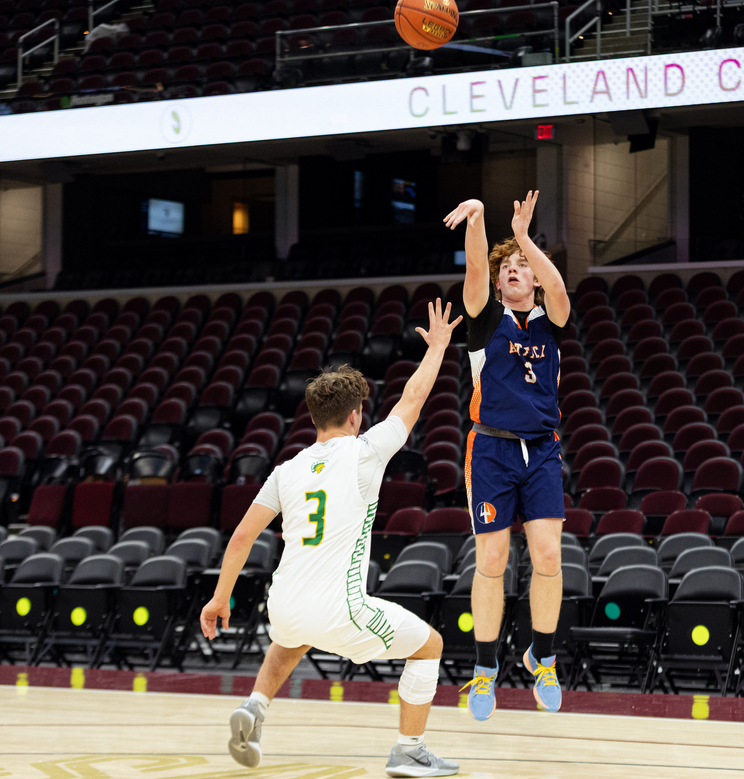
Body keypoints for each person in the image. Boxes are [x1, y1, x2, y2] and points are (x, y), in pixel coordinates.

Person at [199, 299, 462, 778]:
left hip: (285, 605)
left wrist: (219, 599)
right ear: (357, 416)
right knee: (431, 646)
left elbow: (240, 537)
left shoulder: (286, 469)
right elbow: (413, 399)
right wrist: (439, 347)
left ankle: (255, 708)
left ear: (314, 418)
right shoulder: (364, 453)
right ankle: (409, 750)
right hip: (341, 608)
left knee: (289, 640)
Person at [442, 190, 570, 720]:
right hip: (491, 447)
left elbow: (558, 288)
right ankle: (485, 671)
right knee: (492, 560)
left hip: (541, 449)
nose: (515, 270)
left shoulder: (551, 319)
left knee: (547, 557)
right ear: (499, 283)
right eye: (509, 268)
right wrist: (478, 216)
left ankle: (543, 657)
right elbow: (475, 266)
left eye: (524, 266)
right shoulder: (485, 320)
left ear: (534, 277)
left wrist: (522, 238)